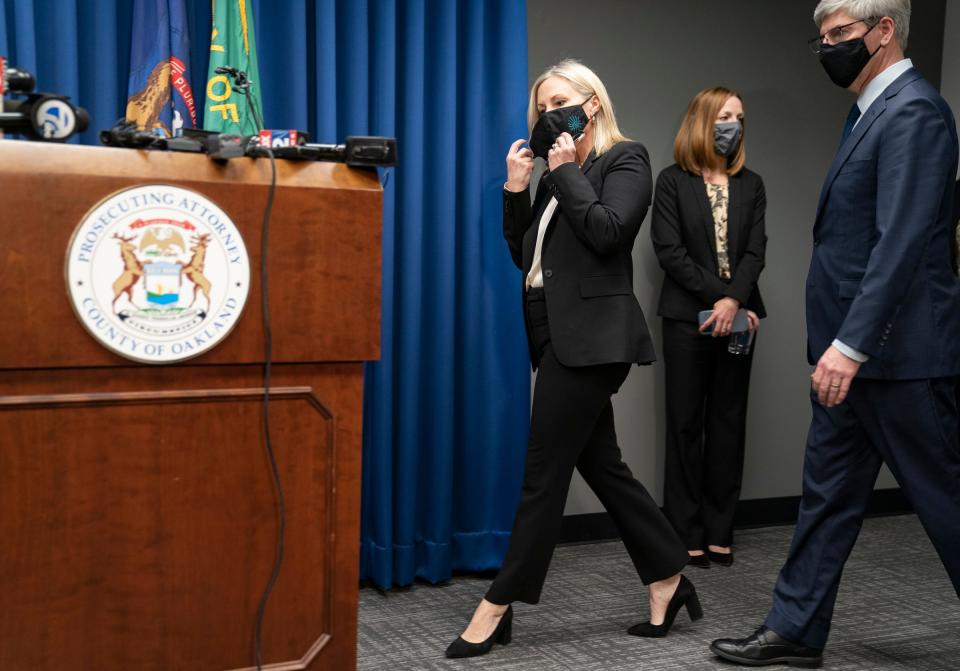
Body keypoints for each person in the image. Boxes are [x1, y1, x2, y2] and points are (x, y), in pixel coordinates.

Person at [711, 1, 960, 666]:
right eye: (821, 38)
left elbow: (900, 242)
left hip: (899, 357)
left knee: (946, 499)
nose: (826, 48)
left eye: (840, 35)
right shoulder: (868, 112)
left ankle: (795, 624)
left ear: (885, 31)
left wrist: (849, 345)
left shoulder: (914, 111)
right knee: (826, 496)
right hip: (850, 358)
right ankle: (796, 628)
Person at [444, 59, 701, 659]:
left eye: (559, 99)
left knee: (542, 475)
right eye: (540, 105)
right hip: (552, 334)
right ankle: (668, 575)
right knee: (602, 465)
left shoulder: (625, 160)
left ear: (592, 103)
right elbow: (526, 258)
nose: (546, 112)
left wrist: (561, 174)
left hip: (594, 342)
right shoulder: (562, 175)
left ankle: (497, 605)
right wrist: (517, 188)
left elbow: (609, 233)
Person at [651, 87, 766, 569]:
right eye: (724, 116)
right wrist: (717, 299)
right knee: (684, 425)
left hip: (741, 317)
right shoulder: (672, 182)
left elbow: (756, 251)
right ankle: (686, 532)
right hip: (685, 318)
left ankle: (720, 531)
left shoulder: (751, 183)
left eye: (739, 116)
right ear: (701, 121)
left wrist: (734, 299)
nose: (733, 124)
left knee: (728, 423)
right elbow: (669, 252)